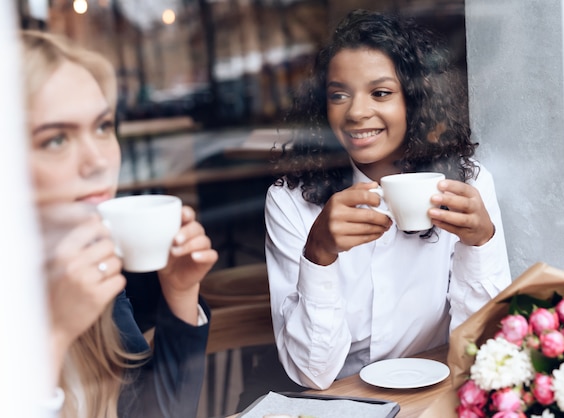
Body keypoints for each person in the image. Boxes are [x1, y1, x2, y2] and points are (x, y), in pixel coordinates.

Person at [264, 9, 512, 390]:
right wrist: (319, 255)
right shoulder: (291, 200)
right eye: (339, 95)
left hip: (436, 391)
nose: (357, 112)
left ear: (414, 100)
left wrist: (480, 244)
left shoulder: (467, 185)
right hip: (342, 401)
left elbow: (484, 351)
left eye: (380, 92)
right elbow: (311, 373)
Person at [22, 30, 219, 417]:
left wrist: (180, 293)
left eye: (102, 127)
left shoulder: (92, 263)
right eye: (56, 139)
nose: (98, 160)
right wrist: (54, 336)